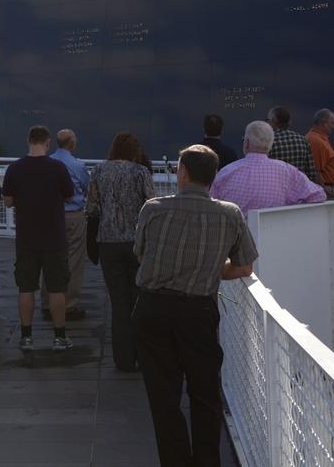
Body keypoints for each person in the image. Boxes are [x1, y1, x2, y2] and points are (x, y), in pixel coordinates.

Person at [133, 144, 258, 467]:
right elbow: (244, 268)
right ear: (213, 177)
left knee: (164, 397)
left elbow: (142, 254)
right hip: (198, 312)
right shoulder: (229, 213)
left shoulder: (153, 208)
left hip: (152, 308)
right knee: (205, 393)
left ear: (182, 172)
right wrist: (212, 265)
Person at [87, 131, 157, 372]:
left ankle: (123, 359)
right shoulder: (140, 172)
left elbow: (92, 208)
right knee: (138, 299)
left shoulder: (98, 171)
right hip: (136, 243)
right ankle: (142, 353)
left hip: (108, 242)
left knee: (118, 302)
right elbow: (151, 204)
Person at [3, 125, 75, 352]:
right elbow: (69, 195)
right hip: (54, 237)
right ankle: (60, 336)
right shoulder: (57, 168)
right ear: (47, 143)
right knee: (56, 289)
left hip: (26, 238)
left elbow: (7, 201)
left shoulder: (14, 168)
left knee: (26, 288)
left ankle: (26, 337)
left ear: (28, 141)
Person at [210, 121, 327, 216]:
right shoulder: (287, 171)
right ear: (270, 145)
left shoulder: (225, 173)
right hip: (273, 238)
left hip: (235, 240)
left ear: (246, 143)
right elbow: (319, 195)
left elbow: (211, 206)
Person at [50, 128, 90, 318]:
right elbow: (86, 186)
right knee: (74, 260)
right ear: (72, 144)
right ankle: (68, 304)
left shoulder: (48, 163)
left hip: (50, 216)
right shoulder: (77, 165)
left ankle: (47, 301)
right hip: (73, 216)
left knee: (50, 258)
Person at [266, 106, 317, 181]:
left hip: (277, 189)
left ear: (273, 121)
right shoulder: (303, 140)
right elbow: (311, 174)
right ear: (289, 122)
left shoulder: (268, 142)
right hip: (299, 190)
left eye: (268, 120)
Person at [305, 108, 334, 195]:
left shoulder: (320, 138)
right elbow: (315, 170)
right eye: (332, 123)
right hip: (326, 191)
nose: (333, 127)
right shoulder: (316, 141)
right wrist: (324, 190)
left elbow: (326, 162)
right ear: (323, 123)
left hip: (327, 188)